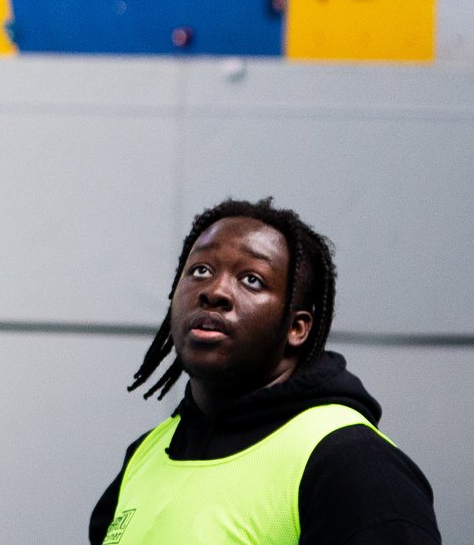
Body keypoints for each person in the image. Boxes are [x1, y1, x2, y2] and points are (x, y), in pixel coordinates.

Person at [89, 198, 440, 545]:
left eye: (252, 280)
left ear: (297, 328)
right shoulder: (145, 455)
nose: (214, 291)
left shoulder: (354, 464)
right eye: (200, 270)